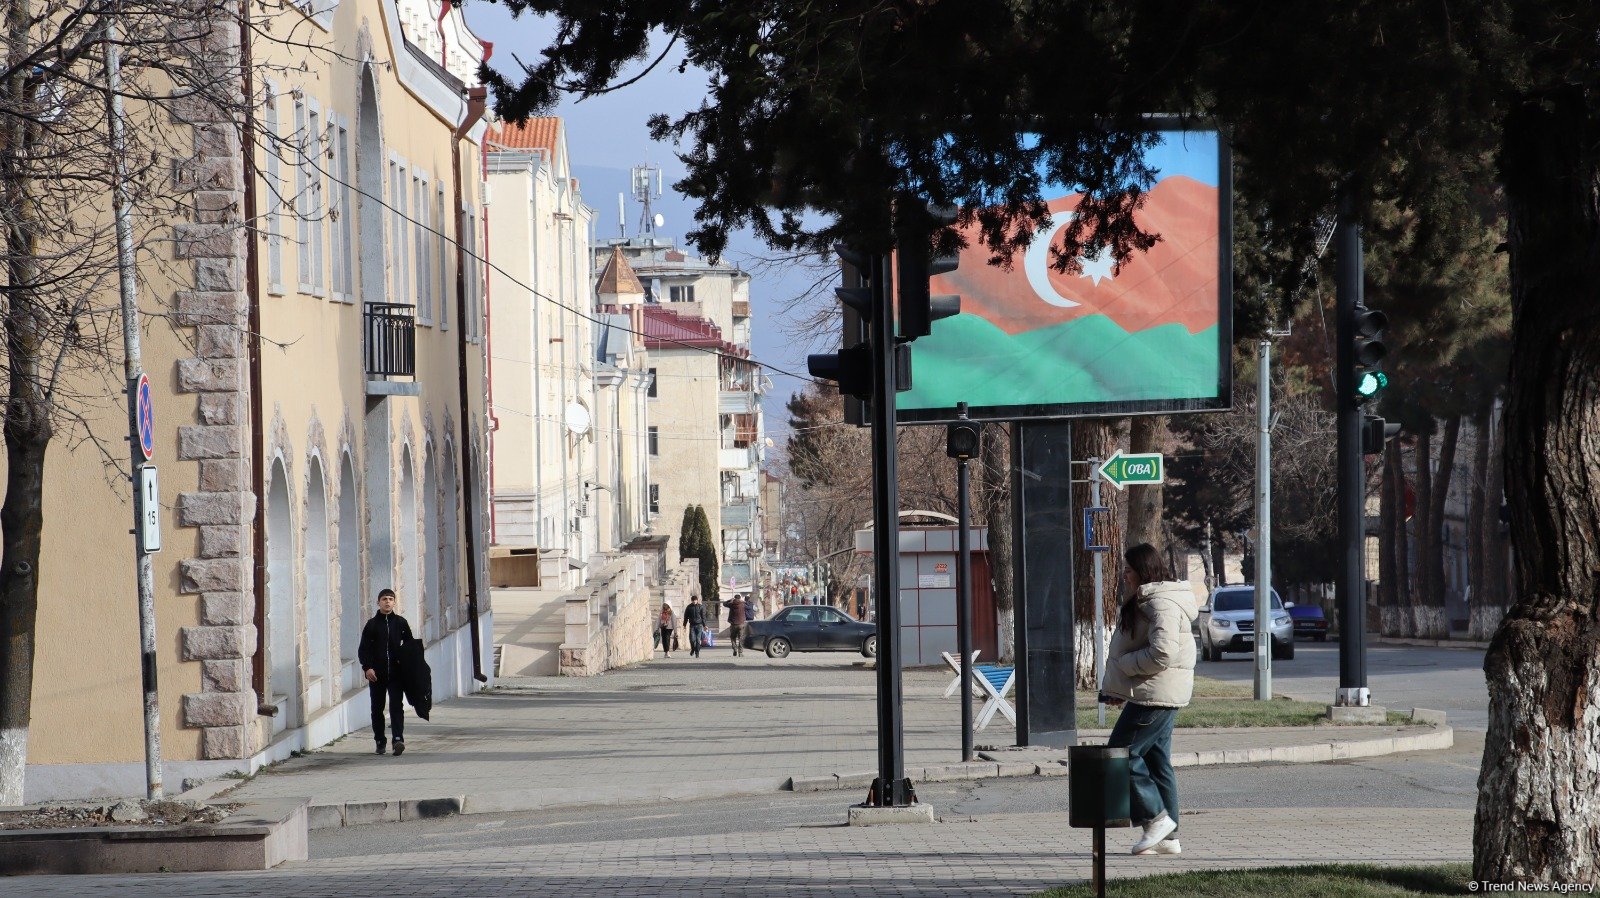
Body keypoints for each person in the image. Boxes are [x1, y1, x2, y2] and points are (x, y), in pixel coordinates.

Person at [1100, 543, 1198, 857]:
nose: (1124, 576)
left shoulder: (1162, 603)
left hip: (1155, 694)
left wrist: (1125, 667)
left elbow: (1163, 652)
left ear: (1143, 570)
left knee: (1120, 756)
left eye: (1128, 570)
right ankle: (1169, 839)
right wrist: (1117, 688)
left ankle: (1157, 819)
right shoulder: (1152, 599)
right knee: (1157, 763)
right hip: (1155, 691)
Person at [358, 588, 416, 756]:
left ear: (395, 602)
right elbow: (364, 649)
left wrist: (409, 667)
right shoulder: (372, 624)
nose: (387, 602)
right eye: (384, 599)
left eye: (391, 599)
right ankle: (379, 741)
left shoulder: (401, 623)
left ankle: (398, 739)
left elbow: (410, 646)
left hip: (397, 675)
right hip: (377, 675)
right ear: (378, 602)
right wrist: (367, 667)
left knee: (396, 706)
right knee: (377, 709)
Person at [684, 594, 707, 658]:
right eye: (693, 600)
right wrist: (684, 625)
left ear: (697, 600)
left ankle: (697, 652)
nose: (694, 601)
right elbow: (686, 616)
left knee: (698, 639)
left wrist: (705, 625)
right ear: (691, 601)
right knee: (692, 639)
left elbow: (703, 617)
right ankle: (693, 649)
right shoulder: (689, 607)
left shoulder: (701, 607)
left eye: (695, 600)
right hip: (692, 625)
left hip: (699, 625)